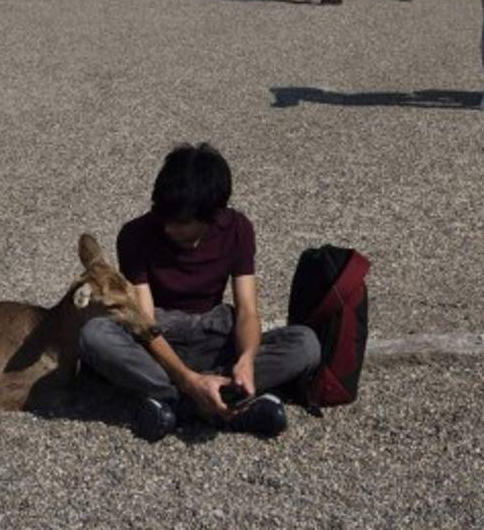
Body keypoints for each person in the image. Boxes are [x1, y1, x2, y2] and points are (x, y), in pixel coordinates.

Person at [78, 143, 320, 442]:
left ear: (212, 215)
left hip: (213, 332)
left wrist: (246, 360)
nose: (168, 228)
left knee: (305, 344)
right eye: (163, 216)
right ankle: (223, 405)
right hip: (159, 339)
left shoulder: (238, 229)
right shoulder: (136, 234)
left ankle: (175, 406)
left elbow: (247, 311)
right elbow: (144, 322)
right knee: (94, 335)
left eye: (181, 223)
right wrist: (190, 380)